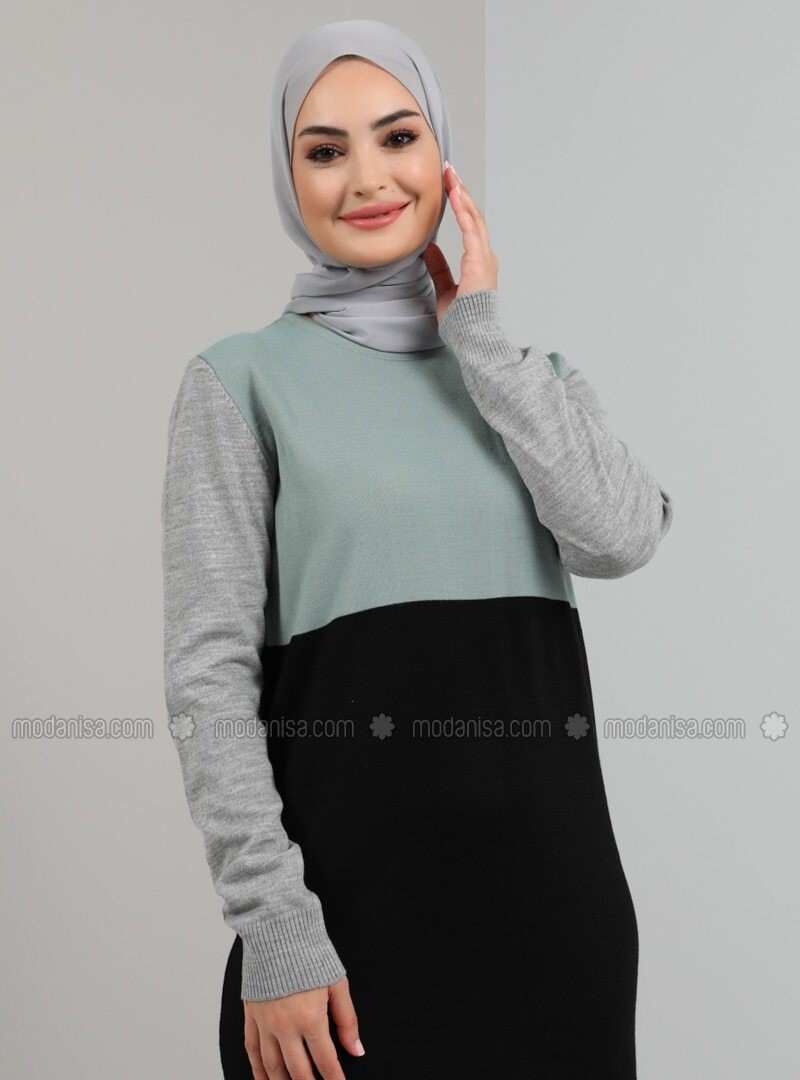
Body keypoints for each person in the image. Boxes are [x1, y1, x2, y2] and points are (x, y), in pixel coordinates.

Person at [161, 18, 674, 1080]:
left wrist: (476, 334)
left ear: (441, 154)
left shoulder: (525, 378)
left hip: (556, 925)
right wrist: (276, 928)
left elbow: (620, 536)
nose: (366, 178)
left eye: (397, 137)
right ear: (288, 175)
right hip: (339, 948)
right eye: (324, 149)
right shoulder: (241, 383)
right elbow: (208, 676)